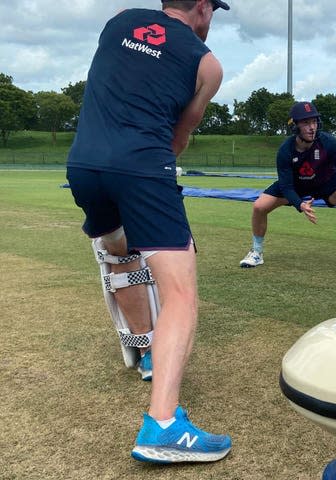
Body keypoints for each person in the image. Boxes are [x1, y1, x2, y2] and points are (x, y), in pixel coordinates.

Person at [66, 0, 232, 464]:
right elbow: (178, 138)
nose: (210, 20)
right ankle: (163, 426)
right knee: (180, 291)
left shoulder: (119, 22)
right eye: (212, 11)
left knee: (119, 249)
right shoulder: (209, 64)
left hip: (82, 164)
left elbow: (113, 81)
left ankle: (143, 341)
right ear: (202, 7)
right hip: (142, 165)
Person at [239, 101, 336, 273]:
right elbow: (286, 187)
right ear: (295, 126)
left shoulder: (328, 142)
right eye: (306, 123)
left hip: (326, 182)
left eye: (314, 122)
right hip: (296, 186)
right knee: (259, 206)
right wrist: (300, 204)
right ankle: (256, 252)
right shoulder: (285, 150)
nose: (312, 127)